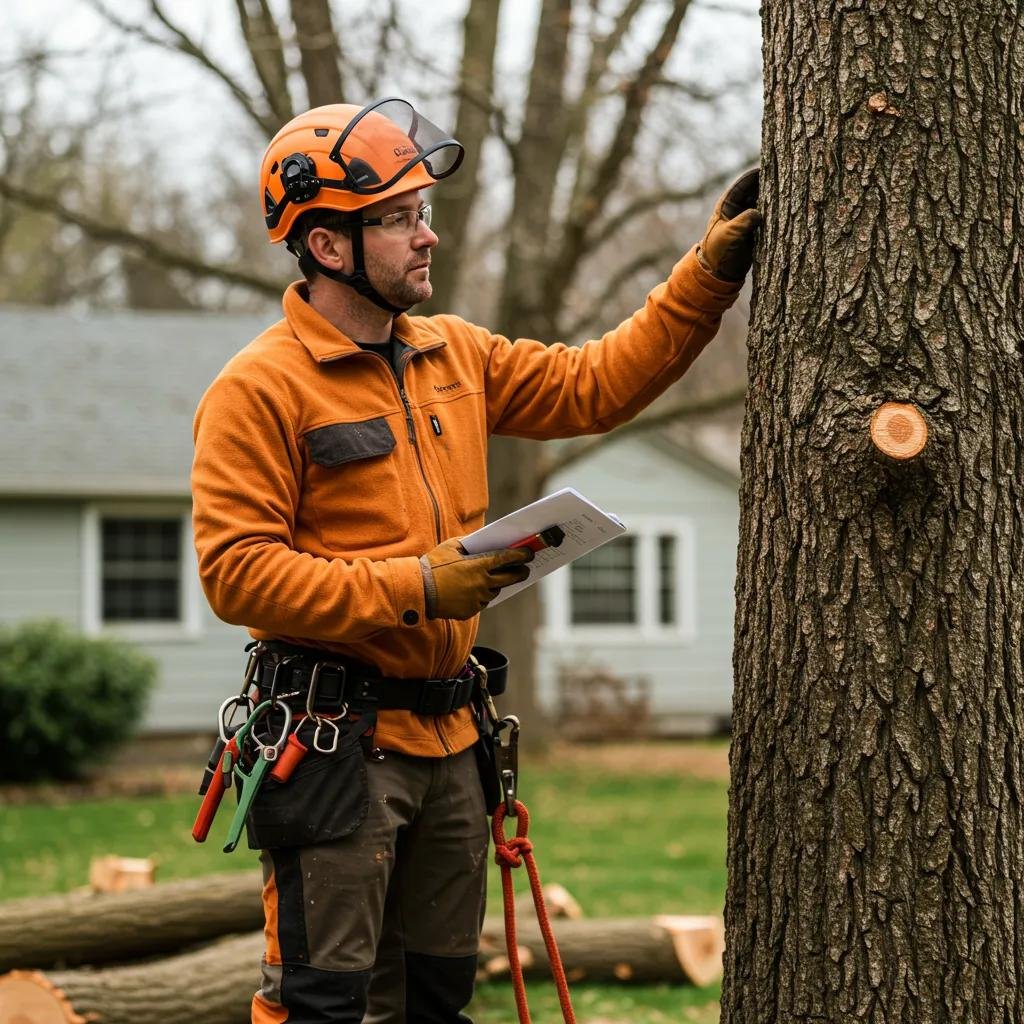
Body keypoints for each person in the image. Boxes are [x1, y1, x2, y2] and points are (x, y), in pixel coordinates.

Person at [191, 97, 760, 1024]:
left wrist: (708, 273)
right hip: (335, 743)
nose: (429, 236)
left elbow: (596, 383)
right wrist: (420, 584)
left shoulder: (455, 353)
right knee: (323, 1003)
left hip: (454, 741)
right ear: (330, 245)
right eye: (400, 219)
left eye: (423, 212)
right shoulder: (258, 389)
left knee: (436, 1001)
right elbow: (237, 572)